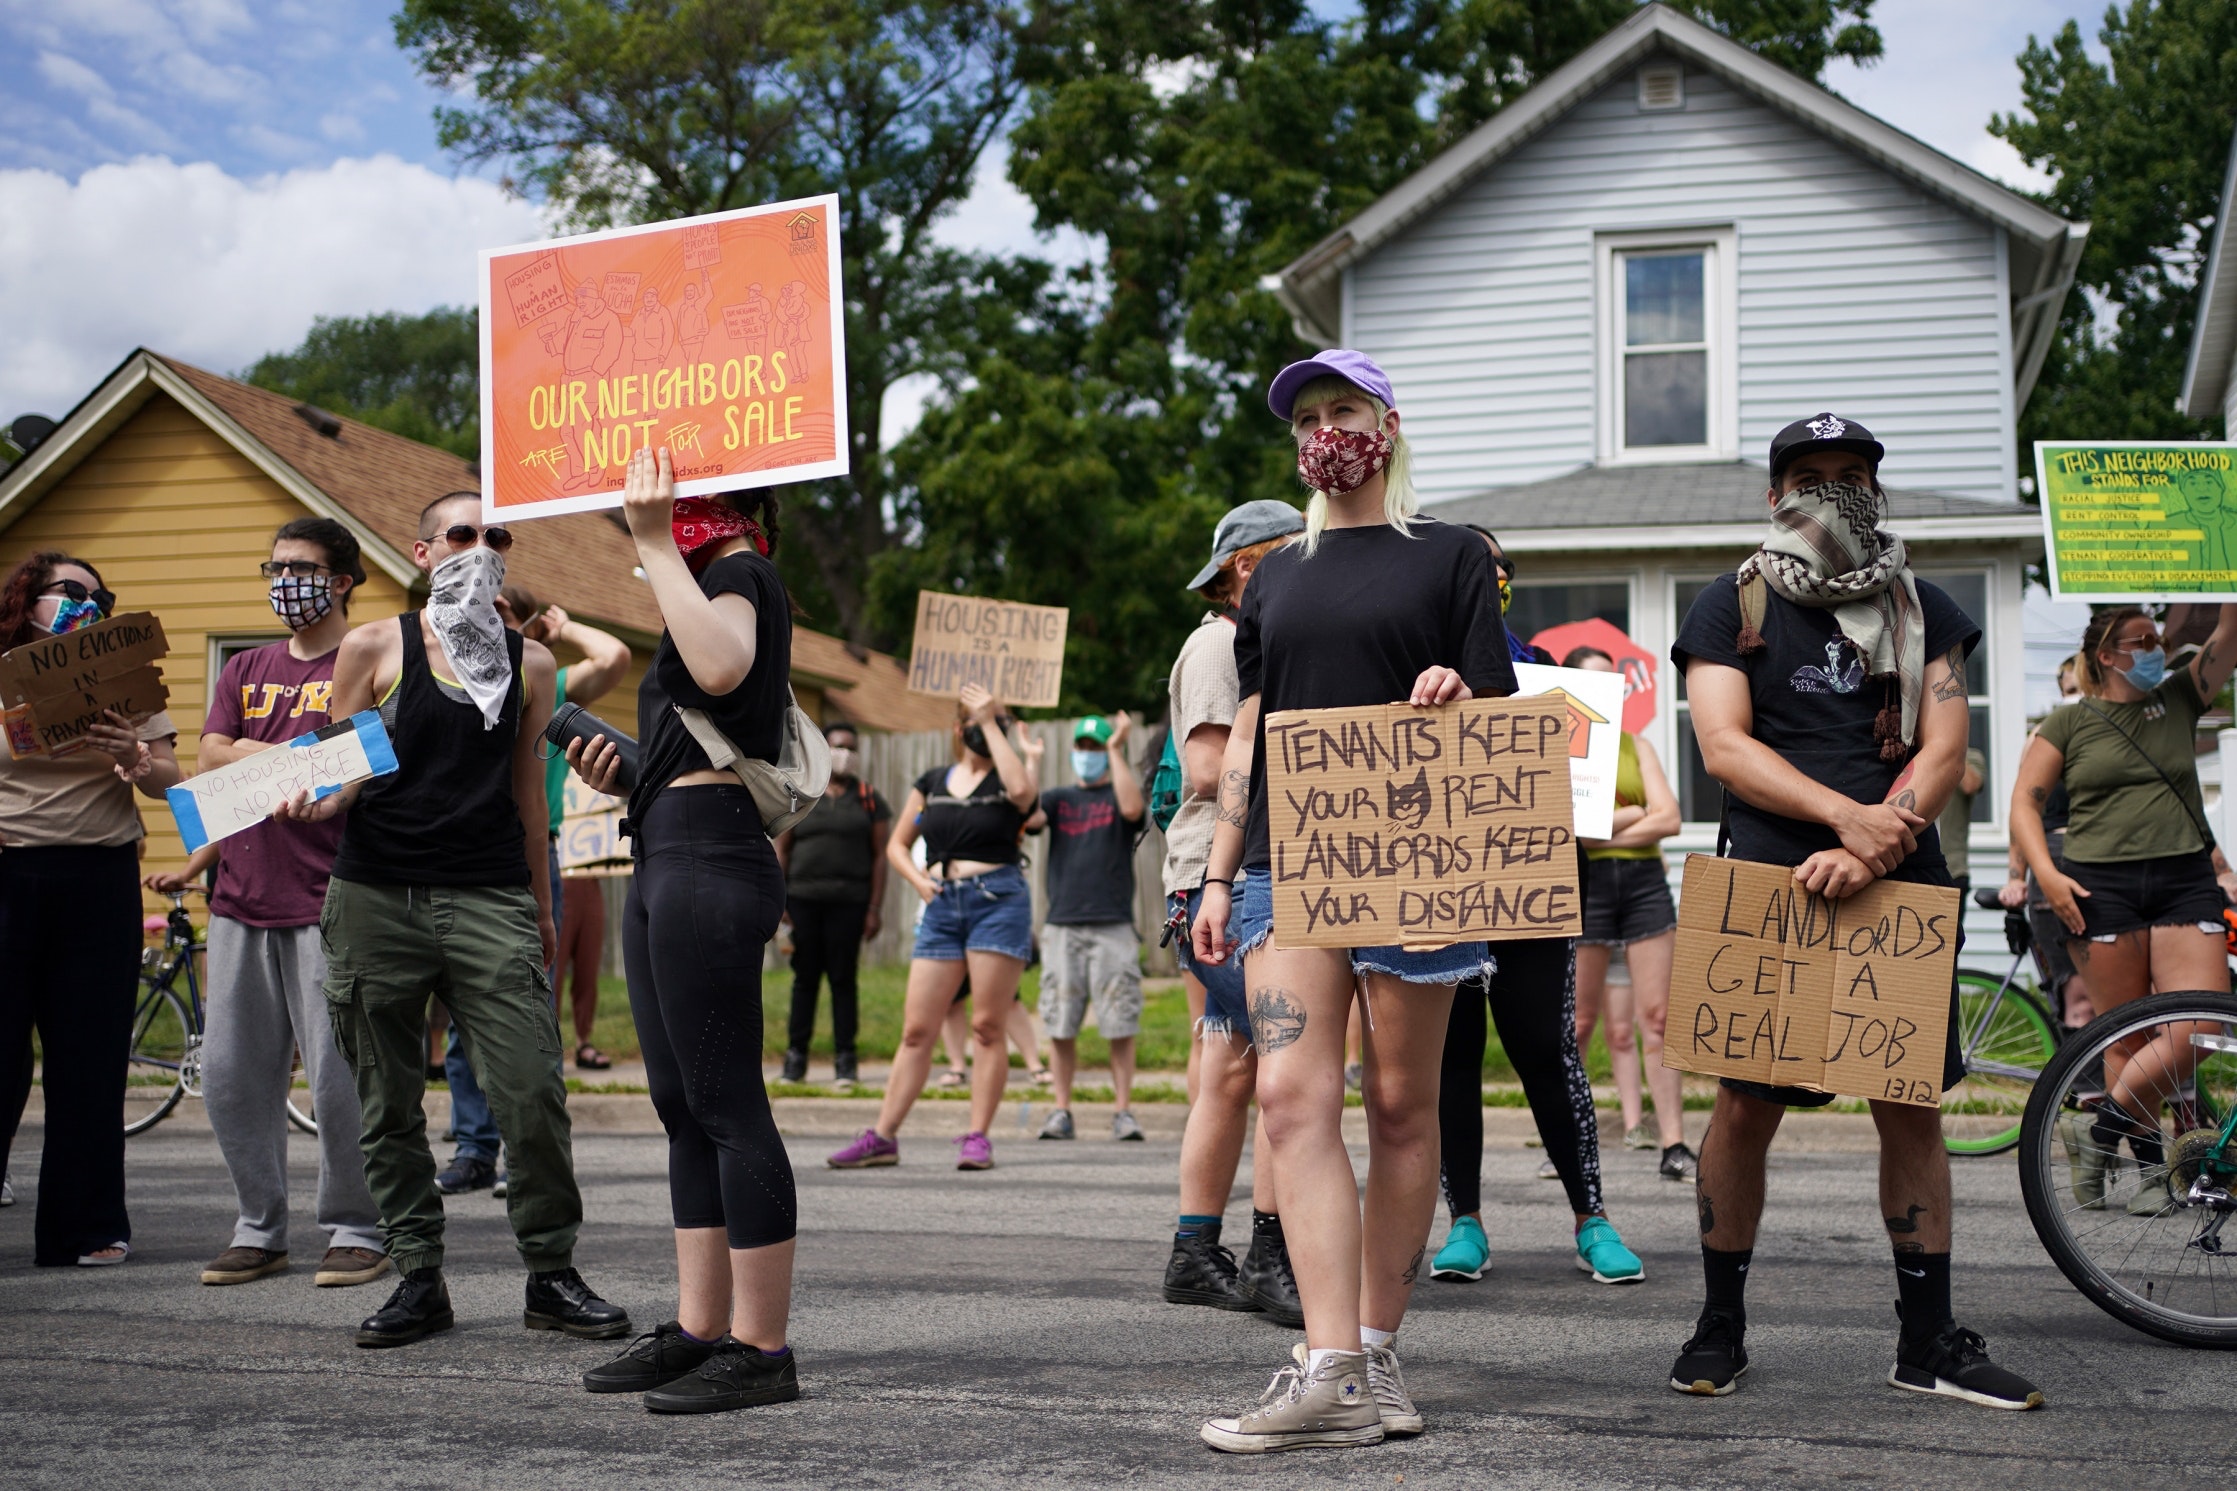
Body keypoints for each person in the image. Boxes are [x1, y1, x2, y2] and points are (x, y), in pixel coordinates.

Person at [1669, 412, 2040, 1409]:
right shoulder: (1727, 605)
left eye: (1849, 475)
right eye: (1809, 475)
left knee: (1907, 1105)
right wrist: (1845, 822)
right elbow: (1721, 746)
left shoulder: (1927, 608)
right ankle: (1717, 1327)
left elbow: (1945, 737)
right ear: (1773, 494)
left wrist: (1880, 835)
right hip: (1768, 886)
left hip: (1898, 884)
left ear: (1875, 490)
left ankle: (1927, 1341)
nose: (1831, 490)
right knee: (1744, 1107)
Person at [1192, 349, 1514, 1452]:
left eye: (1343, 410)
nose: (1323, 429)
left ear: (1384, 425)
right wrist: (1219, 867)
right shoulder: (1275, 575)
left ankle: (1374, 1348)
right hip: (1286, 866)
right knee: (1287, 1098)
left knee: (1397, 1107)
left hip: (1416, 856)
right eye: (1307, 417)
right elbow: (1252, 731)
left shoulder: (1453, 557)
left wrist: (1453, 690)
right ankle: (1325, 1364)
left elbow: (1499, 716)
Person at [275, 492, 628, 1350]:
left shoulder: (531, 664)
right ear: (425, 551)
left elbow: (525, 797)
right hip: (375, 896)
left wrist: (541, 908)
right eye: (464, 534)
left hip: (488, 895)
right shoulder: (369, 645)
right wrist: (324, 800)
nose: (482, 546)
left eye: (496, 535)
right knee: (385, 1098)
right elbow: (344, 762)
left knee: (531, 1091)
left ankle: (550, 1272)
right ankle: (417, 1276)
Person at [563, 447, 803, 1413]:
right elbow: (707, 709)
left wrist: (656, 540)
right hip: (665, 845)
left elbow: (720, 663)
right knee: (680, 1103)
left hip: (709, 857)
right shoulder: (699, 584)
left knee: (727, 1101)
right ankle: (702, 1327)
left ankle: (763, 1346)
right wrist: (630, 772)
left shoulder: (740, 572)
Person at [155, 519, 387, 1289]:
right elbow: (208, 757)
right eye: (275, 566)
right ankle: (259, 1226)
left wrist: (250, 754)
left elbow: (355, 761)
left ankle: (356, 1225)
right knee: (231, 1073)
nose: (285, 580)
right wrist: (288, 756)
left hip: (333, 897)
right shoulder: (247, 665)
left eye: (302, 567)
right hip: (240, 899)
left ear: (343, 579)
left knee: (336, 1077)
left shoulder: (372, 660)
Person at [1427, 533, 1646, 1289]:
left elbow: (1587, 807)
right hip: (1444, 891)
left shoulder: (1554, 685)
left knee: (1546, 1050)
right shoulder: (1417, 673)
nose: (1489, 578)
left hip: (1531, 887)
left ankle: (1592, 1218)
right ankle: (1465, 1223)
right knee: (1450, 1057)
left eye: (1499, 569)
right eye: (1472, 567)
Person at [2012, 600, 2237, 1218]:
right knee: (2126, 1036)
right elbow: (2024, 807)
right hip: (2097, 889)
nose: (2154, 649)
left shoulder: (2180, 696)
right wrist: (2047, 878)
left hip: (2184, 880)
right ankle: (2145, 1175)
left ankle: (2100, 1132)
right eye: (2139, 642)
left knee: (2202, 1028)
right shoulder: (2066, 723)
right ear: (2106, 656)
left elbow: (2230, 632)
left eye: (2154, 638)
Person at [0, 552, 184, 1266]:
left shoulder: (126, 677)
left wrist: (136, 755)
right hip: (10, 870)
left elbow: (170, 779)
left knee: (90, 1057)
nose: (87, 601)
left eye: (98, 594)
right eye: (69, 590)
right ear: (28, 599)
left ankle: (85, 1225)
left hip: (99, 872)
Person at [436, 588, 634, 1201]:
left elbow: (618, 656)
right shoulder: (445, 680)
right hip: (456, 850)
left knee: (530, 1005)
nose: (487, 617)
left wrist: (565, 626)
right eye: (479, 607)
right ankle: (473, 1148)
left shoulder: (543, 683)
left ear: (525, 628)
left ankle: (528, 1155)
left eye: (502, 609)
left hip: (528, 851)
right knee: (461, 1009)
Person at [1160, 501, 1303, 1326]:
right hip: (1220, 877)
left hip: (1207, 874)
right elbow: (1211, 767)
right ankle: (1271, 1255)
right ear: (1249, 565)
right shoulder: (1221, 642)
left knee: (1231, 1068)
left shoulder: (1229, 639)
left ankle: (1195, 1250)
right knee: (1290, 1061)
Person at [827, 687, 1040, 1171]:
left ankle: (978, 1136)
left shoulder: (1009, 778)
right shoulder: (933, 780)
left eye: (998, 720)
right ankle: (882, 1137)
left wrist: (991, 721)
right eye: (977, 719)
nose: (987, 726)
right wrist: (919, 881)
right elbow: (898, 845)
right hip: (943, 905)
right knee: (917, 1029)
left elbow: (1025, 795)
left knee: (988, 1026)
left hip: (997, 900)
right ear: (957, 728)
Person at [1563, 644, 1693, 1182]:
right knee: (1580, 1023)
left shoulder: (1636, 745)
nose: (1609, 690)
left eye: (1613, 681)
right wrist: (1636, 812)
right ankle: (1567, 1145)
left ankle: (1674, 1143)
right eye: (1594, 682)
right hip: (1586, 888)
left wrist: (1612, 824)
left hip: (1643, 884)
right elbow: (1572, 836)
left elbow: (1671, 819)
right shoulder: (1560, 751)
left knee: (1658, 1019)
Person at [775, 720, 891, 1084]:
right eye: (838, 746)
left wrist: (873, 908)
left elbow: (880, 856)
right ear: (822, 749)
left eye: (851, 748)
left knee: (844, 980)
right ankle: (796, 1060)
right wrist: (779, 903)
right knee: (804, 981)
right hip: (803, 902)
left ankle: (846, 1061)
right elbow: (782, 850)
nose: (845, 754)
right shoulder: (803, 793)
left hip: (850, 905)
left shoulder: (870, 799)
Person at [1999, 658, 2091, 1033]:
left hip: (2111, 861)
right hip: (2056, 854)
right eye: (2070, 691)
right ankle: (2086, 1089)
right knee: (2076, 990)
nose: (2077, 698)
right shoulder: (2043, 736)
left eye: (2084, 690)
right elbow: (2022, 810)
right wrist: (2015, 876)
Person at [1936, 745, 1987, 902]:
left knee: (1951, 927)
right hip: (1913, 870)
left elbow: (1970, 785)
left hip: (1953, 868)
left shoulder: (1970, 756)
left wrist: (1948, 745)